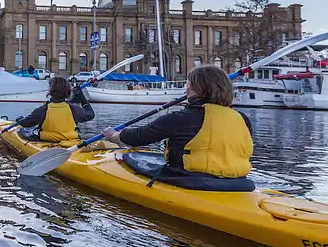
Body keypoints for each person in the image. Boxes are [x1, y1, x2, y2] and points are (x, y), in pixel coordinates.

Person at [101, 65, 253, 179]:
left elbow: (140, 136)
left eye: (188, 84)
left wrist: (114, 136)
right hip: (238, 181)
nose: (186, 89)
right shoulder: (242, 119)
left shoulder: (180, 118)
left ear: (198, 89)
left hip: (191, 179)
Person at [16, 76, 95, 143]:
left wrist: (19, 120)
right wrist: (82, 98)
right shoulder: (74, 109)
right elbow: (91, 114)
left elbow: (26, 123)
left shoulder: (43, 109)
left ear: (51, 91)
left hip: (47, 141)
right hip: (71, 141)